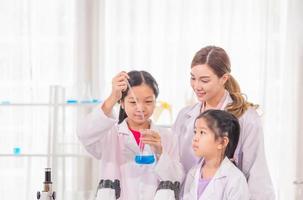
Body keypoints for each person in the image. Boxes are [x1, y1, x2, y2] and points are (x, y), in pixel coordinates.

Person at [173, 46, 275, 199]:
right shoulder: (185, 116)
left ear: (224, 78)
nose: (196, 86)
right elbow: (175, 165)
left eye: (204, 80)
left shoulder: (246, 118)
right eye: (193, 78)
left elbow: (257, 173)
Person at [78, 70, 184, 200]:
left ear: (155, 102)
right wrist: (113, 97)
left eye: (148, 101)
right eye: (133, 102)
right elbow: (84, 134)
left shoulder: (167, 137)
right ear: (122, 103)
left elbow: (176, 179)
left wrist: (160, 153)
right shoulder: (109, 135)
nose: (140, 108)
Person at [183, 109, 249, 200]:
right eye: (195, 132)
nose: (195, 138)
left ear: (222, 142)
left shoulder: (235, 179)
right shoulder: (192, 173)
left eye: (202, 132)